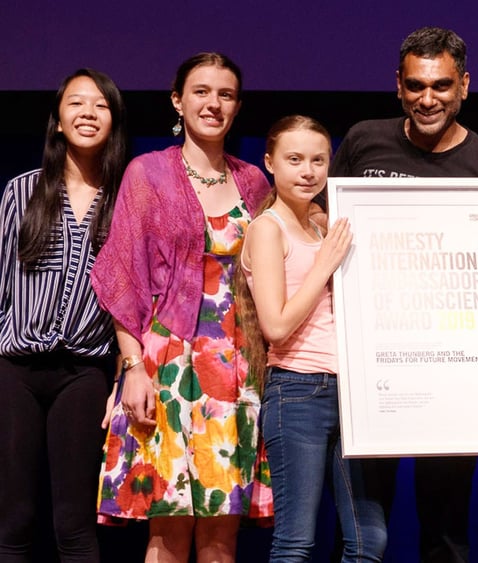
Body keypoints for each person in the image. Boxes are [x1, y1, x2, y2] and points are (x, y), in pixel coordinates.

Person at [330, 26, 478, 563]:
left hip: (453, 374)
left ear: (465, 85)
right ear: (398, 84)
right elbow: (325, 236)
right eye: (416, 85)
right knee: (363, 536)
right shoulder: (364, 141)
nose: (427, 98)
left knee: (446, 534)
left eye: (441, 85)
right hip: (372, 370)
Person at [92, 52, 271, 562]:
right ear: (178, 100)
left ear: (237, 106)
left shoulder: (255, 182)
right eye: (201, 92)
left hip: (237, 367)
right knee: (167, 530)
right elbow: (124, 274)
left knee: (221, 535)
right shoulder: (148, 173)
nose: (213, 104)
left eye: (225, 94)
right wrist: (131, 368)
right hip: (166, 365)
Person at [241, 115, 386, 562]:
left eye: (318, 161)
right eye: (294, 160)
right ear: (270, 163)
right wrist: (324, 264)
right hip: (298, 390)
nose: (307, 171)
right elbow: (276, 326)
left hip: (351, 393)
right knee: (296, 542)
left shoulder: (326, 228)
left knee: (369, 540)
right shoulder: (268, 229)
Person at [0, 68, 127, 562]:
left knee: (74, 524)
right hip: (16, 369)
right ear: (57, 120)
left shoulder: (125, 198)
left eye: (100, 105)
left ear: (114, 121)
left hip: (85, 372)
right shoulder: (22, 191)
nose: (88, 113)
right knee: (13, 519)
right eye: (76, 103)